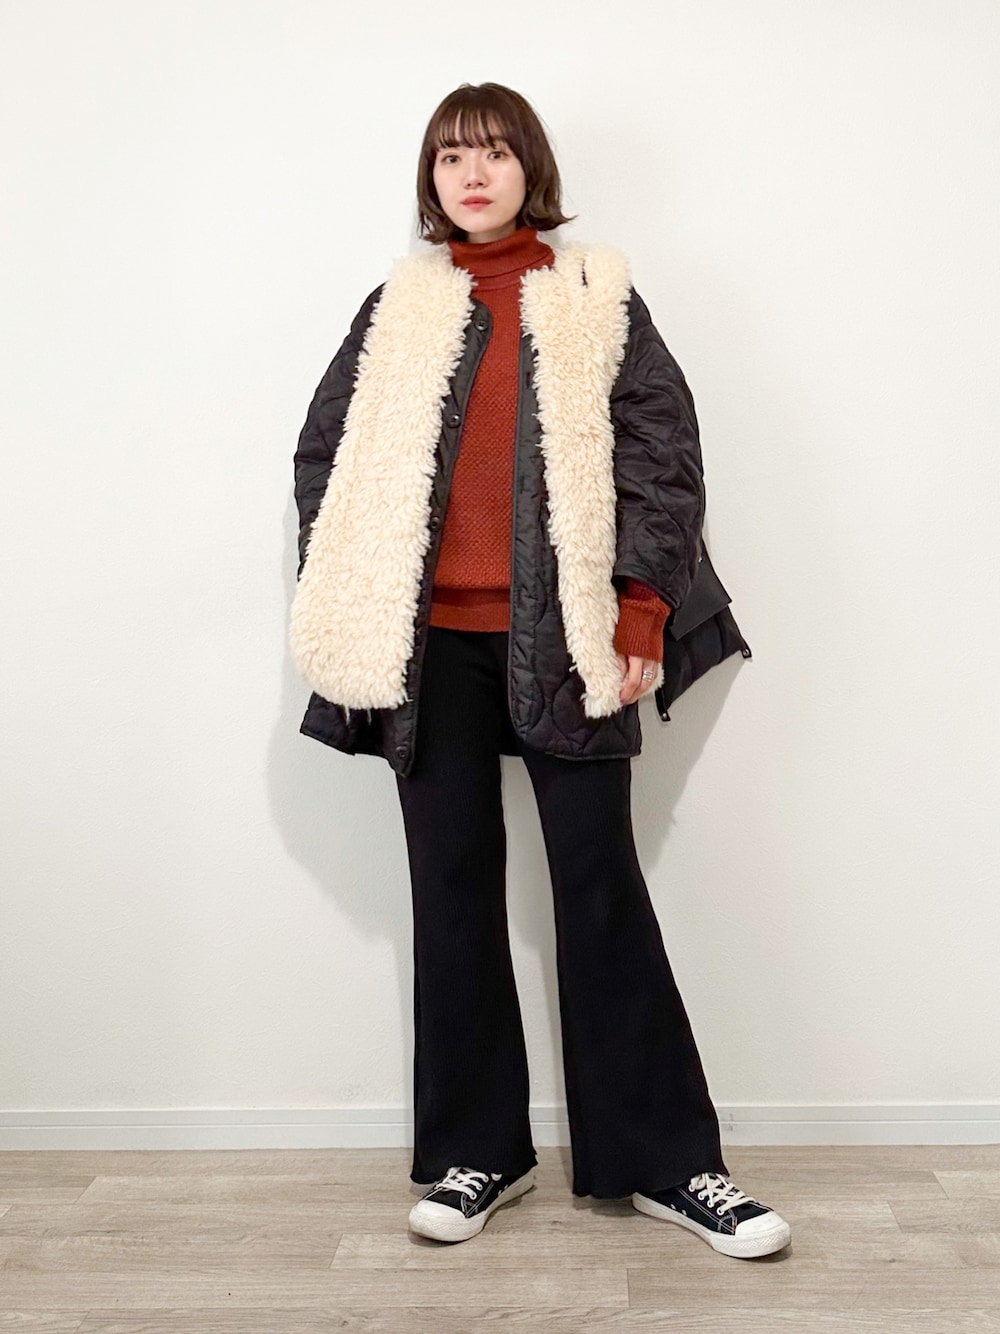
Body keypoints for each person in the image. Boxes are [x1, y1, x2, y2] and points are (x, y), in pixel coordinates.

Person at [289, 81, 791, 1260]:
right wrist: (347, 583)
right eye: (450, 156)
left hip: (567, 639)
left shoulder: (593, 294)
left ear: (531, 171)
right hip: (427, 653)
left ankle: (671, 1163)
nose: (472, 175)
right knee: (452, 889)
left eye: (495, 153)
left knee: (598, 886)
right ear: (431, 179)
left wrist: (639, 607)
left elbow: (662, 452)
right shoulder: (397, 307)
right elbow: (326, 454)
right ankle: (479, 1151)